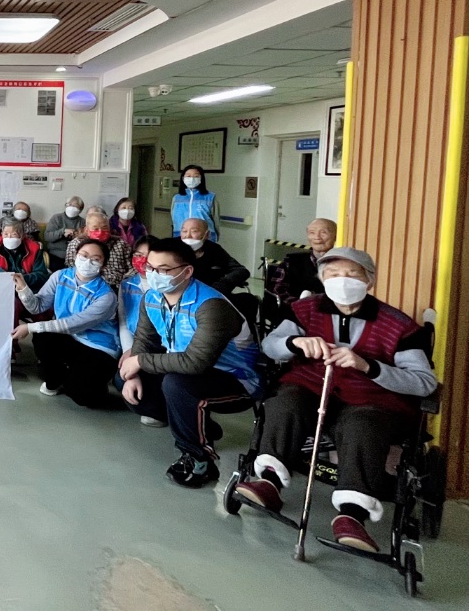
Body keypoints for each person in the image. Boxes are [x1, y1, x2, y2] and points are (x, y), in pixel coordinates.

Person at [237, 248, 437, 553]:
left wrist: (369, 366)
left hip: (370, 399)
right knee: (285, 401)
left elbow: (423, 382)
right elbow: (270, 346)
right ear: (322, 279)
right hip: (311, 387)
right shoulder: (304, 310)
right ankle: (269, 482)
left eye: (352, 274)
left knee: (363, 424)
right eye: (333, 274)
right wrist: (295, 342)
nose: (342, 280)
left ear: (369, 281)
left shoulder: (398, 325)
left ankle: (352, 516)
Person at [118, 238, 261, 488]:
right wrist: (133, 373)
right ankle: (202, 426)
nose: (154, 275)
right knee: (126, 378)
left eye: (163, 269)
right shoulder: (152, 297)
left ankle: (199, 460)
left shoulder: (211, 306)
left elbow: (195, 363)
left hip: (237, 381)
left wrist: (139, 360)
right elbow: (144, 339)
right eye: (151, 267)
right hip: (184, 371)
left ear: (187, 271)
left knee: (177, 384)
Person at [13, 239, 121, 408]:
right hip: (69, 339)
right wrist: (23, 288)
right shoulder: (60, 276)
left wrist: (30, 327)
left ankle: (85, 381)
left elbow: (73, 324)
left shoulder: (106, 296)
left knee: (81, 395)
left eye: (95, 259)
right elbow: (37, 306)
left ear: (103, 265)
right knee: (43, 337)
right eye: (84, 255)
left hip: (98, 347)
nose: (88, 262)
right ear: (75, 256)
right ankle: (56, 380)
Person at [116, 237, 164, 427]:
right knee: (122, 378)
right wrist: (129, 350)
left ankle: (168, 411)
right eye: (138, 255)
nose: (142, 260)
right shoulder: (127, 285)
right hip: (137, 344)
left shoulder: (165, 285)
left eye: (148, 256)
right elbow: (123, 323)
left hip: (163, 347)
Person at [271, 218, 337, 317]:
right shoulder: (291, 261)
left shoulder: (343, 264)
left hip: (331, 314)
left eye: (323, 232)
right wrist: (300, 305)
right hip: (295, 313)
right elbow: (278, 289)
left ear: (335, 236)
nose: (317, 237)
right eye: (312, 232)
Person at [0, 221, 50, 318]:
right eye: (6, 234)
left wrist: (23, 279)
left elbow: (41, 274)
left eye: (14, 234)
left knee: (43, 307)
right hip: (3, 288)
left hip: (28, 288)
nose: (9, 237)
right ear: (1, 234)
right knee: (11, 306)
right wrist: (1, 274)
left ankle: (39, 328)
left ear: (22, 235)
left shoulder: (34, 249)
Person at [64, 210, 132, 287]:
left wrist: (125, 284)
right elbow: (72, 269)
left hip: (119, 287)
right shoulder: (76, 244)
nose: (100, 232)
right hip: (87, 286)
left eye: (104, 228)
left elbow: (132, 268)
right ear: (87, 230)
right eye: (95, 229)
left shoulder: (121, 244)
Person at [180, 218, 249, 293]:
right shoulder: (172, 248)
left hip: (211, 293)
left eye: (194, 231)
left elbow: (241, 270)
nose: (188, 236)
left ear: (206, 235)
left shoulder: (214, 249)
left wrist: (223, 284)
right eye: (184, 231)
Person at [172, 165, 220, 242]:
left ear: (201, 178)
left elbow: (216, 219)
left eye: (196, 176)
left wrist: (216, 235)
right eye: (188, 176)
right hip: (181, 236)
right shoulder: (177, 198)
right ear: (183, 178)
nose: (192, 179)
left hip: (204, 237)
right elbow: (174, 220)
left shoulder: (210, 197)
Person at [43, 196, 85, 271]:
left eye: (75, 205)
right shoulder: (56, 218)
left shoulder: (83, 222)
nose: (71, 207)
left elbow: (86, 240)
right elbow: (47, 237)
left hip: (75, 256)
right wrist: (62, 232)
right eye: (69, 204)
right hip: (56, 254)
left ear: (81, 209)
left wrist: (77, 236)